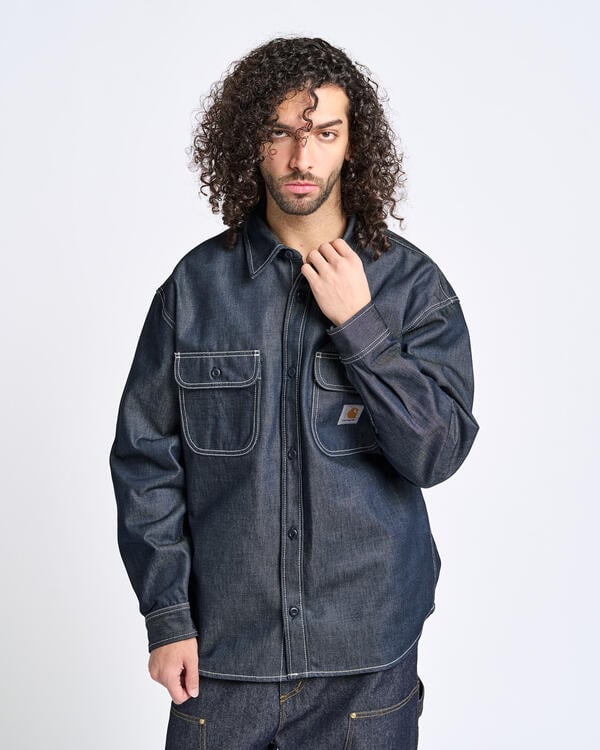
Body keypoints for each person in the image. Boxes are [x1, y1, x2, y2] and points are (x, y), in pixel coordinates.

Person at [109, 36, 479, 749]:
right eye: (280, 133)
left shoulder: (412, 288)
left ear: (352, 145)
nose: (301, 158)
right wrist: (168, 616)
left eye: (324, 134)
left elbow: (436, 453)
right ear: (250, 141)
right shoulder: (193, 290)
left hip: (367, 663)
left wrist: (361, 328)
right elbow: (145, 462)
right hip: (222, 658)